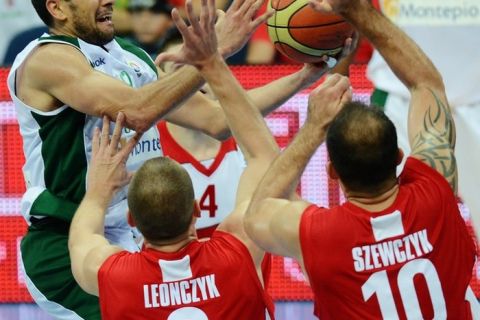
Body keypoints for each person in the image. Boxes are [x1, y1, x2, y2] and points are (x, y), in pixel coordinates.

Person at [7, 0, 330, 318]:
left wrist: (305, 75)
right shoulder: (48, 59)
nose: (108, 1)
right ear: (57, 8)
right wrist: (212, 55)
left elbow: (217, 121)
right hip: (69, 240)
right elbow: (136, 111)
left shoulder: (131, 57)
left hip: (131, 235)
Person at [245, 0, 477, 318]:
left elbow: (257, 214)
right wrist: (357, 10)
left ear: (331, 172)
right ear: (399, 156)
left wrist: (313, 128)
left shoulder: (319, 234)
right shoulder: (435, 192)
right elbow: (426, 84)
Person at [367, 0, 480, 243]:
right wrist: (337, 74)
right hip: (400, 96)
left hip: (476, 95)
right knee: (397, 237)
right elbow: (347, 6)